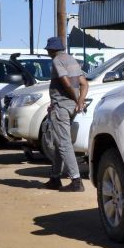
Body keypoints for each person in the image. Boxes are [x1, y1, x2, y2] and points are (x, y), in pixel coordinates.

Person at [44, 37, 88, 192]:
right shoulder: (72, 60)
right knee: (59, 142)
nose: (48, 52)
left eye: (48, 49)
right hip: (71, 108)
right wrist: (80, 102)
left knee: (63, 143)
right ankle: (55, 178)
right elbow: (84, 83)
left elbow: (66, 83)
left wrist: (77, 99)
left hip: (61, 107)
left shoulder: (57, 61)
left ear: (52, 50)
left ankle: (76, 181)